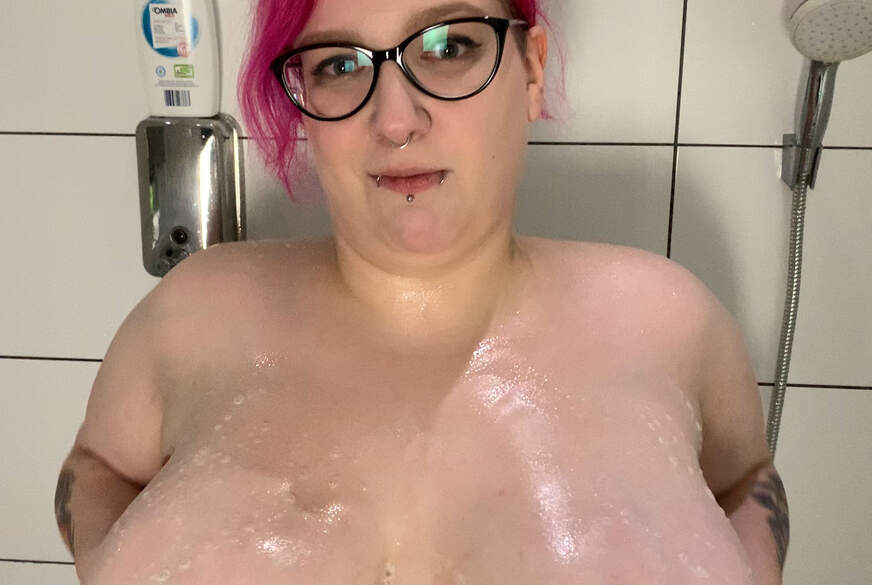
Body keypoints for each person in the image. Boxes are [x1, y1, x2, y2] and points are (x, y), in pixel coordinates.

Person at [55, 0, 789, 583]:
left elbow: (747, 477)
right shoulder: (193, 314)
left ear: (531, 71)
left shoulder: (666, 320)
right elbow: (96, 470)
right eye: (340, 63)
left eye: (449, 46)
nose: (396, 120)